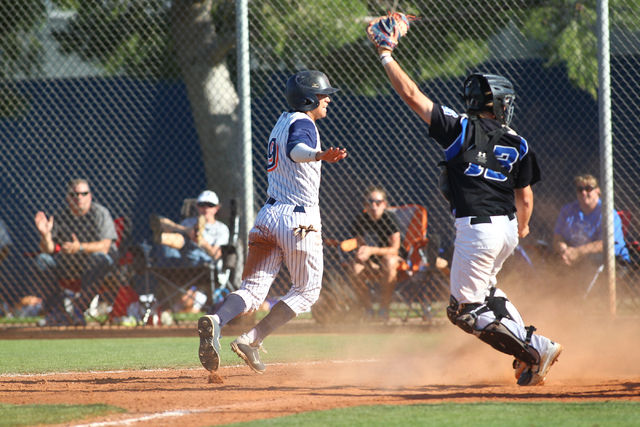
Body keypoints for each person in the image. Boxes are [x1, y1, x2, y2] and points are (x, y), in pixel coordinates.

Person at [371, 33, 562, 386]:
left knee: (464, 311)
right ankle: (530, 353)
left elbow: (412, 95)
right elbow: (526, 199)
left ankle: (533, 348)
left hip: (476, 230)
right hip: (506, 229)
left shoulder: (459, 126)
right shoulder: (518, 141)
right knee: (488, 294)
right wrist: (522, 228)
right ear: (501, 104)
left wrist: (385, 54)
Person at [197, 70, 347, 374]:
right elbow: (297, 150)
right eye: (322, 95)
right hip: (299, 220)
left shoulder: (282, 121)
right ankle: (252, 339)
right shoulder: (304, 122)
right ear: (307, 99)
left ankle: (217, 320)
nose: (327, 99)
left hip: (268, 216)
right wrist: (319, 155)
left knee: (252, 291)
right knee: (307, 290)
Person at [34, 178, 118, 323]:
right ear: (68, 198)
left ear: (90, 196)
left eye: (84, 193)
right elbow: (49, 249)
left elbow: (105, 247)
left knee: (98, 258)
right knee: (42, 260)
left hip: (97, 269)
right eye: (74, 194)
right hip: (68, 266)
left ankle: (78, 310)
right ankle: (58, 310)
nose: (79, 198)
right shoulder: (61, 216)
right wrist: (45, 235)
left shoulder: (100, 213)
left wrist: (79, 247)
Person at [552, 174, 629, 297]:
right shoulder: (568, 210)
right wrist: (564, 251)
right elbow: (558, 237)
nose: (583, 193)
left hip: (611, 258)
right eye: (580, 189)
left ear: (598, 191)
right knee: (551, 260)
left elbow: (606, 244)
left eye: (588, 189)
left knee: (591, 260)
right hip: (573, 255)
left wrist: (576, 253)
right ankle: (553, 304)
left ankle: (580, 303)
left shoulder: (607, 212)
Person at [348, 185, 404, 321]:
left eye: (378, 202)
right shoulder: (360, 220)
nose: (374, 206)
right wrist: (362, 256)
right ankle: (368, 310)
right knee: (355, 267)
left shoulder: (390, 219)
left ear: (384, 204)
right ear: (365, 205)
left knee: (389, 262)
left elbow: (394, 249)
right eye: (370, 202)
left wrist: (372, 250)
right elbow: (360, 246)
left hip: (393, 262)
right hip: (371, 264)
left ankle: (383, 310)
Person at [151, 190, 230, 268]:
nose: (206, 208)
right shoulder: (188, 222)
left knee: (192, 250)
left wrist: (202, 242)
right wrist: (187, 231)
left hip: (204, 261)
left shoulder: (222, 228)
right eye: (202, 204)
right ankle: (162, 237)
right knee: (169, 244)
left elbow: (216, 255)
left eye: (210, 205)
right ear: (197, 206)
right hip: (183, 258)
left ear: (216, 208)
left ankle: (165, 237)